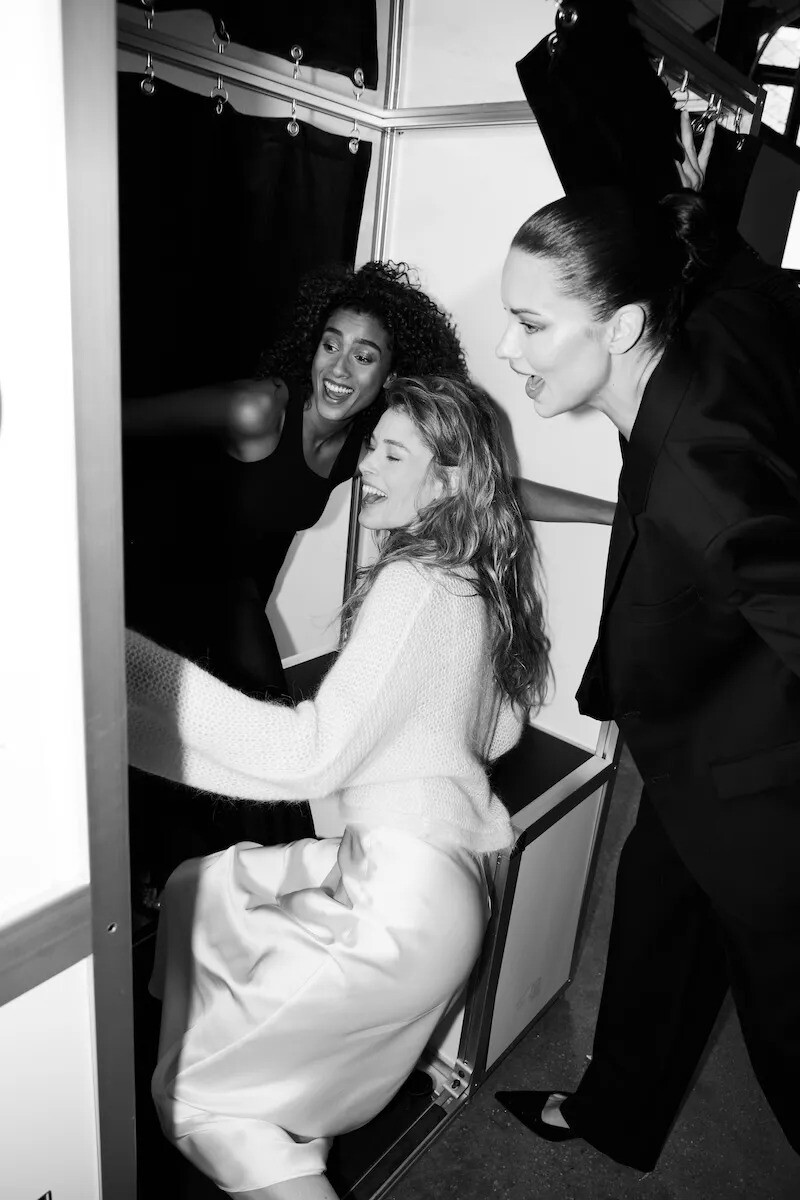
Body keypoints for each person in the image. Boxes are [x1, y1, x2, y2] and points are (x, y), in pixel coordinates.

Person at [125, 375, 551, 1199]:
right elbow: (499, 731)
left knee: (202, 1107)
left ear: (449, 481)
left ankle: (246, 1076)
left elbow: (308, 757)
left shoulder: (415, 583)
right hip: (439, 891)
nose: (366, 467)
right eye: (370, 448)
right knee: (202, 888)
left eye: (392, 454)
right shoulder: (474, 580)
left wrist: (135, 671)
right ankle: (275, 1054)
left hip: (396, 904)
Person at [124, 260, 610, 906]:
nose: (339, 368)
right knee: (167, 736)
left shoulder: (365, 443)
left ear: (388, 373)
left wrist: (609, 511)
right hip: (156, 580)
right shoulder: (257, 407)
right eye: (330, 344)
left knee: (251, 746)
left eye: (364, 355)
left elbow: (485, 485)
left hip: (232, 595)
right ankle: (172, 889)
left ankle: (231, 898)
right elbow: (116, 422)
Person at [492, 181, 800, 1172]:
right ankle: (618, 1113)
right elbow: (748, 279)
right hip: (696, 732)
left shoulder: (700, 480)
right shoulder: (701, 325)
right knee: (656, 925)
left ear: (621, 326)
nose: (507, 348)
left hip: (763, 793)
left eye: (530, 324)